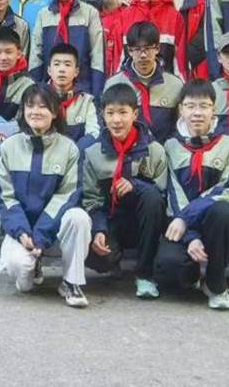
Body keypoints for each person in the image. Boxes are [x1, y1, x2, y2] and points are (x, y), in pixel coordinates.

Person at [0, 85, 91, 308]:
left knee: (79, 218)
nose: (35, 112)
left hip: (53, 227)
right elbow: (4, 196)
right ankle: (33, 266)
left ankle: (71, 282)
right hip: (23, 228)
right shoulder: (8, 147)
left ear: (55, 112)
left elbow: (68, 195)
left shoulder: (69, 149)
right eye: (30, 106)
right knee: (19, 270)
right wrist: (22, 232)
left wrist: (41, 234)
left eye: (43, 107)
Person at [156, 79, 229, 310]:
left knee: (223, 211)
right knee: (167, 267)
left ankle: (216, 285)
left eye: (204, 106)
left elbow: (227, 188)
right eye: (190, 106)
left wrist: (186, 219)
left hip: (216, 225)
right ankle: (193, 275)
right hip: (182, 226)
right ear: (181, 110)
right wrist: (191, 235)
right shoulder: (170, 146)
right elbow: (173, 194)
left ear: (214, 109)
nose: (197, 113)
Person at [81, 84, 169, 299]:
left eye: (123, 112)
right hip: (113, 221)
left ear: (135, 114)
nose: (116, 120)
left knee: (152, 197)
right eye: (110, 113)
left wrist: (136, 185)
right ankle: (113, 261)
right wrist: (99, 230)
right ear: (102, 115)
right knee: (94, 254)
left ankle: (145, 274)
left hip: (145, 224)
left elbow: (162, 194)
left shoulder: (154, 150)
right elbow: (92, 200)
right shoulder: (93, 154)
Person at [29, 0, 105, 95]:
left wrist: (96, 93)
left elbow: (97, 55)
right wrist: (36, 89)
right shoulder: (43, 15)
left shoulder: (89, 13)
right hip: (49, 90)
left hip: (83, 87)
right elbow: (36, 55)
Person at [105, 22, 184, 143]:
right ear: (129, 51)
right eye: (137, 49)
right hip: (128, 150)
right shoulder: (114, 83)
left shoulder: (175, 85)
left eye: (148, 49)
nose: (143, 55)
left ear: (157, 48)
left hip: (166, 149)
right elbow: (107, 125)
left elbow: (181, 126)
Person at [122, 0, 186, 76]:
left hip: (166, 82)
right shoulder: (125, 15)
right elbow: (119, 57)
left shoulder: (174, 15)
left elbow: (180, 58)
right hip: (131, 82)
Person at [44, 43, 100, 144]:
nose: (62, 70)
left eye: (67, 64)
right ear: (49, 70)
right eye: (56, 64)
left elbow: (93, 133)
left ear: (76, 72)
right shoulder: (38, 98)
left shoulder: (87, 101)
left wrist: (73, 151)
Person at [164, 0, 208, 80]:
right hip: (162, 60)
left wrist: (185, 54)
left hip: (190, 64)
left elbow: (203, 33)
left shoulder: (199, 2)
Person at [80, 0, 127, 75]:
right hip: (81, 72)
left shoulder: (115, 13)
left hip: (107, 72)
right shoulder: (73, 12)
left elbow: (118, 49)